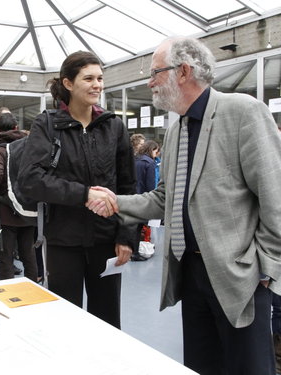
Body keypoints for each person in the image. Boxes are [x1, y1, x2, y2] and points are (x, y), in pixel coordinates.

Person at [88, 37, 281, 374]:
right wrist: (115, 202)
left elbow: (275, 195)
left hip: (239, 276)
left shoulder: (243, 112)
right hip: (190, 275)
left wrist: (264, 269)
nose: (149, 83)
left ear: (183, 72)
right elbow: (164, 199)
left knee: (247, 367)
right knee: (202, 365)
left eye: (155, 73)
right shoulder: (177, 129)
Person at [18, 51, 136, 328]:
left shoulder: (114, 126)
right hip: (63, 242)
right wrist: (84, 194)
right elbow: (31, 179)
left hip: (106, 241)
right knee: (66, 321)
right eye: (89, 78)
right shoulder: (47, 124)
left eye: (100, 78)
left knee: (107, 320)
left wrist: (126, 236)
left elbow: (129, 186)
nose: (97, 85)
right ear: (68, 83)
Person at [0, 112, 38, 282]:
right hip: (28, 208)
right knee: (28, 252)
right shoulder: (30, 147)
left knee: (5, 254)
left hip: (6, 210)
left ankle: (7, 295)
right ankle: (34, 289)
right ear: (16, 127)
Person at [131, 140, 159, 261]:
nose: (156, 155)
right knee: (138, 228)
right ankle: (135, 253)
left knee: (132, 227)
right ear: (152, 150)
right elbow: (150, 185)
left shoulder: (135, 160)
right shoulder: (150, 163)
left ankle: (132, 251)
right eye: (156, 152)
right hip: (142, 199)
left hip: (131, 197)